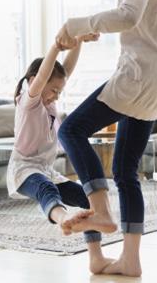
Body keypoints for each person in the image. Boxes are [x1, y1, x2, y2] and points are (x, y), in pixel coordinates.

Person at [56, 0, 157, 277]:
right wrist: (92, 31)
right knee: (125, 171)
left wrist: (78, 25)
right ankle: (130, 260)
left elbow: (128, 16)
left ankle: (99, 209)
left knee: (70, 130)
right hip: (155, 83)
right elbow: (133, 19)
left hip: (137, 81)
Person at [6, 33, 116, 274]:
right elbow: (47, 73)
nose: (57, 95)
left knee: (88, 200)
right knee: (47, 190)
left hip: (46, 170)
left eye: (59, 91)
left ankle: (96, 258)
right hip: (24, 170)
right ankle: (63, 218)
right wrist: (55, 46)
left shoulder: (49, 102)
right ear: (36, 81)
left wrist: (78, 44)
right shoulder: (29, 101)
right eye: (54, 90)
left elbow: (65, 70)